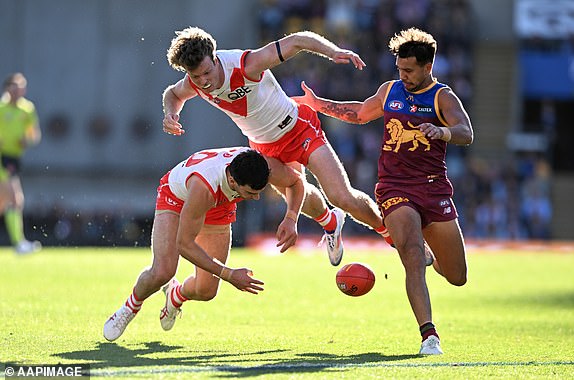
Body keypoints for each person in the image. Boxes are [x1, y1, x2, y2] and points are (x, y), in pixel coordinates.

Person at [293, 27, 474, 355]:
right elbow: (361, 112)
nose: (403, 76)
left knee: (457, 276)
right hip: (394, 188)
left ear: (427, 67)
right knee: (411, 255)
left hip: (434, 189)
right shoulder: (390, 91)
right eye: (399, 69)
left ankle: (432, 257)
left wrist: (443, 132)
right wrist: (319, 104)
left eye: (409, 70)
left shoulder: (442, 97)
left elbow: (466, 132)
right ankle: (429, 336)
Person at [162, 27, 394, 267]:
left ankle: (390, 235)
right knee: (296, 194)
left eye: (207, 73)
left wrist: (332, 52)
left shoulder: (246, 64)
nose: (203, 81)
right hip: (264, 146)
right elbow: (173, 94)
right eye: (196, 77)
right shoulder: (195, 81)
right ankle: (331, 224)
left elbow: (297, 41)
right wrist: (170, 114)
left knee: (340, 197)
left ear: (215, 56)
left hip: (297, 128)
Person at [103, 147, 304, 341]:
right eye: (251, 192)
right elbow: (184, 244)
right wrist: (229, 274)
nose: (256, 197)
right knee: (163, 271)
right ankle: (130, 307)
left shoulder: (261, 165)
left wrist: (291, 218)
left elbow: (296, 182)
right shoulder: (204, 188)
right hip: (177, 197)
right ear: (233, 181)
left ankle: (175, 295)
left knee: (206, 290)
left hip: (220, 204)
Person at [0, 73, 42, 254]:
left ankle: (19, 242)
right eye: (14, 88)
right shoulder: (1, 108)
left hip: (14, 158)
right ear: (7, 88)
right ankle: (19, 243)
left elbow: (34, 134)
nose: (18, 91)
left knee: (3, 202)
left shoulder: (27, 109)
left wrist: (27, 140)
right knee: (16, 199)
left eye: (21, 88)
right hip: (2, 157)